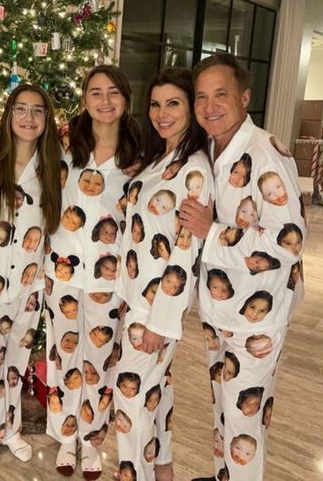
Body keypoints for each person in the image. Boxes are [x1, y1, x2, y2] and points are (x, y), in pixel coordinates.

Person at [179, 53, 306, 481]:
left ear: (245, 97)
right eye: (201, 96)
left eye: (221, 94)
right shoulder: (210, 149)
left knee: (243, 425)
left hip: (256, 319)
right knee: (224, 411)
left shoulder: (265, 152)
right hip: (220, 311)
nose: (209, 106)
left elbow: (290, 241)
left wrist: (211, 232)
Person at [113, 68, 212, 481]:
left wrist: (161, 321)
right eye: (155, 104)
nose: (161, 113)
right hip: (138, 298)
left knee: (128, 398)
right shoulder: (159, 159)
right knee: (155, 392)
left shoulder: (194, 171)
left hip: (156, 308)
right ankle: (163, 469)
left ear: (191, 108)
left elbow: (185, 253)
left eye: (173, 103)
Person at [45, 65, 141, 480]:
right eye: (96, 92)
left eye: (113, 92)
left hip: (109, 278)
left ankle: (92, 440)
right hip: (63, 273)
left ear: (126, 100)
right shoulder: (64, 148)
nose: (105, 100)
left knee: (101, 361)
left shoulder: (139, 157)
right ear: (84, 99)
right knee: (64, 355)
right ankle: (66, 436)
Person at [0, 84, 61, 477]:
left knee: (16, 364)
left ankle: (10, 431)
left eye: (37, 110)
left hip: (29, 287)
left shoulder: (53, 166)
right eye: (20, 109)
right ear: (9, 114)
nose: (28, 117)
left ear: (46, 119)